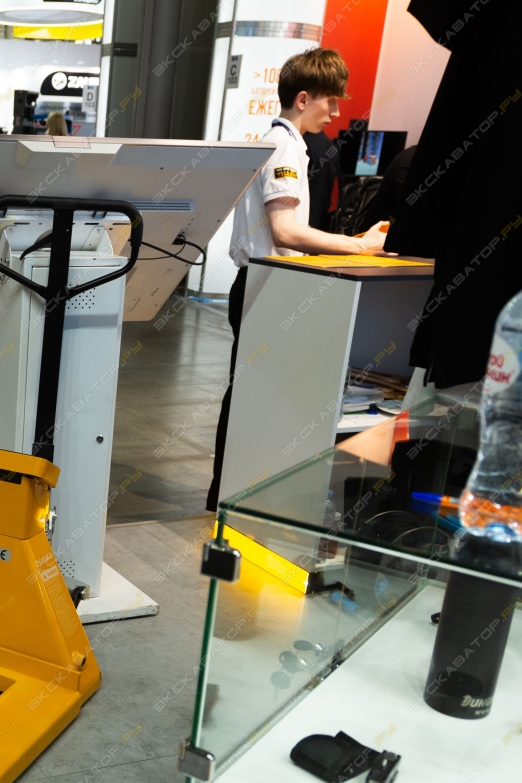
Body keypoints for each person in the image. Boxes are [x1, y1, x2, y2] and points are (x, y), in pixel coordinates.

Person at [206, 48, 389, 511]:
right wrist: (358, 247)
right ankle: (235, 498)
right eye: (331, 100)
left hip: (265, 284)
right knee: (256, 394)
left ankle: (231, 496)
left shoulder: (284, 143)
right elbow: (285, 231)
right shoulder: (285, 146)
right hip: (266, 286)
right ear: (303, 98)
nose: (337, 111)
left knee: (252, 392)